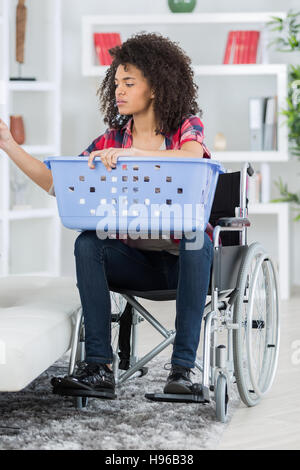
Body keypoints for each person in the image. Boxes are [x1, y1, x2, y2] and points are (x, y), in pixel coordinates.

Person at [0, 32, 214, 399]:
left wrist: (133, 157)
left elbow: (194, 157)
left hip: (185, 262)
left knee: (197, 240)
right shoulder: (110, 141)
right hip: (135, 263)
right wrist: (8, 144)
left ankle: (183, 371)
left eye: (129, 83)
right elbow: (56, 183)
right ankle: (99, 367)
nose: (119, 90)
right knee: (88, 243)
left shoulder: (184, 127)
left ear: (156, 88)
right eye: (117, 82)